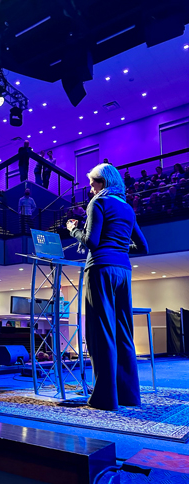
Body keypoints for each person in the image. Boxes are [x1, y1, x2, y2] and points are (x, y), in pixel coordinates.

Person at [67, 162, 149, 411]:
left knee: (101, 333)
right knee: (123, 332)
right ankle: (129, 395)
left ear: (103, 182)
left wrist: (73, 230)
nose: (91, 188)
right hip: (123, 272)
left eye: (93, 183)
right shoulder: (127, 208)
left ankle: (105, 398)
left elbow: (91, 241)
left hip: (101, 269)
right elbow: (143, 247)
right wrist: (119, 248)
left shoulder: (98, 203)